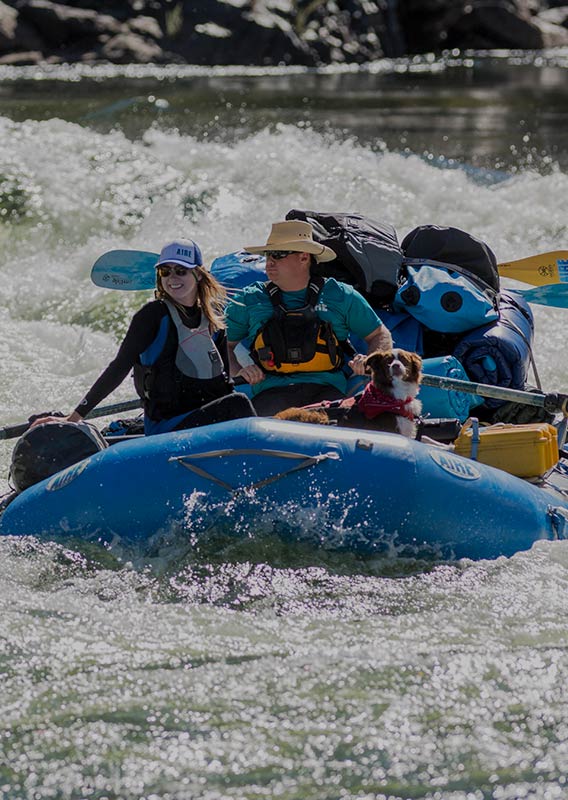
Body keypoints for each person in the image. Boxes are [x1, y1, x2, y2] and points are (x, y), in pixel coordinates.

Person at [32, 239, 256, 435]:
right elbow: (119, 367)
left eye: (181, 271)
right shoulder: (152, 316)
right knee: (238, 404)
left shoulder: (213, 317)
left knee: (236, 400)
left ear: (198, 274)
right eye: (165, 271)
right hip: (168, 426)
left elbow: (225, 383)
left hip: (205, 419)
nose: (172, 278)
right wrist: (74, 417)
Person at [226, 220, 393, 415]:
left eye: (278, 255)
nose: (269, 262)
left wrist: (371, 361)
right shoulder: (249, 299)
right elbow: (222, 346)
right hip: (270, 392)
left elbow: (379, 334)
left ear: (304, 258)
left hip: (326, 391)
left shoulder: (340, 295)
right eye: (268, 255)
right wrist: (238, 371)